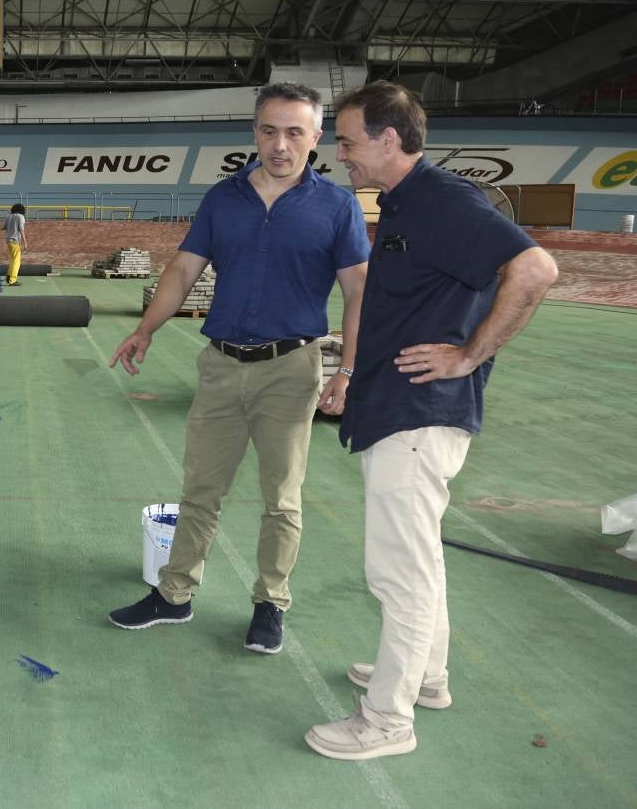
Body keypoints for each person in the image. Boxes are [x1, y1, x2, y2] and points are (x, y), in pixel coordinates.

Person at [304, 82, 557, 760]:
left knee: (399, 573)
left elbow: (534, 269)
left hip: (420, 416)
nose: (341, 154)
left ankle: (385, 721)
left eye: (350, 141)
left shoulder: (443, 200)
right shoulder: (408, 203)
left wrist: (470, 354)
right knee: (420, 560)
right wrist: (354, 381)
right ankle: (428, 678)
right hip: (398, 408)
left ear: (390, 140)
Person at [107, 83, 369, 654]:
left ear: (316, 138)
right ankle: (174, 596)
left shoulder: (337, 206)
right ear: (255, 132)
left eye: (294, 132)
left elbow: (357, 293)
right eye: (269, 131)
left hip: (291, 367)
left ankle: (270, 603)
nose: (280, 145)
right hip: (222, 366)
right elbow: (180, 271)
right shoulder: (222, 200)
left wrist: (347, 370)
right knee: (201, 489)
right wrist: (144, 329)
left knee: (282, 497)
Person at [2, 203, 27, 286]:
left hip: (8, 241)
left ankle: (9, 276)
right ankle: (12, 280)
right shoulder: (20, 217)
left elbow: (3, 227)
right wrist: (25, 242)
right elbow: (21, 229)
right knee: (17, 261)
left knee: (13, 260)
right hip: (15, 241)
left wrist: (11, 225)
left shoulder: (9, 216)